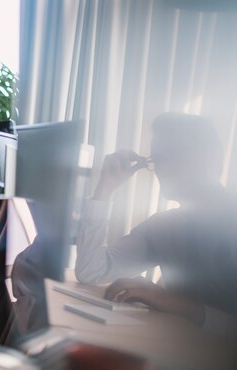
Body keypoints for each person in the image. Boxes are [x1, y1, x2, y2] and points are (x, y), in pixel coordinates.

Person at [75, 112, 237, 331]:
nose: (163, 168)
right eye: (157, 159)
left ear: (212, 158)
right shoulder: (163, 227)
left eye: (175, 155)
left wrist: (166, 299)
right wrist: (104, 189)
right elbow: (90, 271)